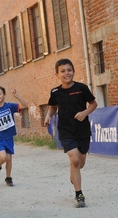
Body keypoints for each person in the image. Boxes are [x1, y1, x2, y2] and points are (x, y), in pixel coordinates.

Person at [44, 58, 97, 208]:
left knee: (80, 163)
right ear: (57, 74)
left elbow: (93, 104)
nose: (66, 73)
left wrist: (85, 112)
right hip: (66, 130)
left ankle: (73, 174)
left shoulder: (82, 88)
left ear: (73, 71)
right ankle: (79, 195)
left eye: (69, 70)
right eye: (63, 71)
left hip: (82, 130)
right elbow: (53, 107)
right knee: (74, 160)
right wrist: (49, 115)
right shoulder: (55, 92)